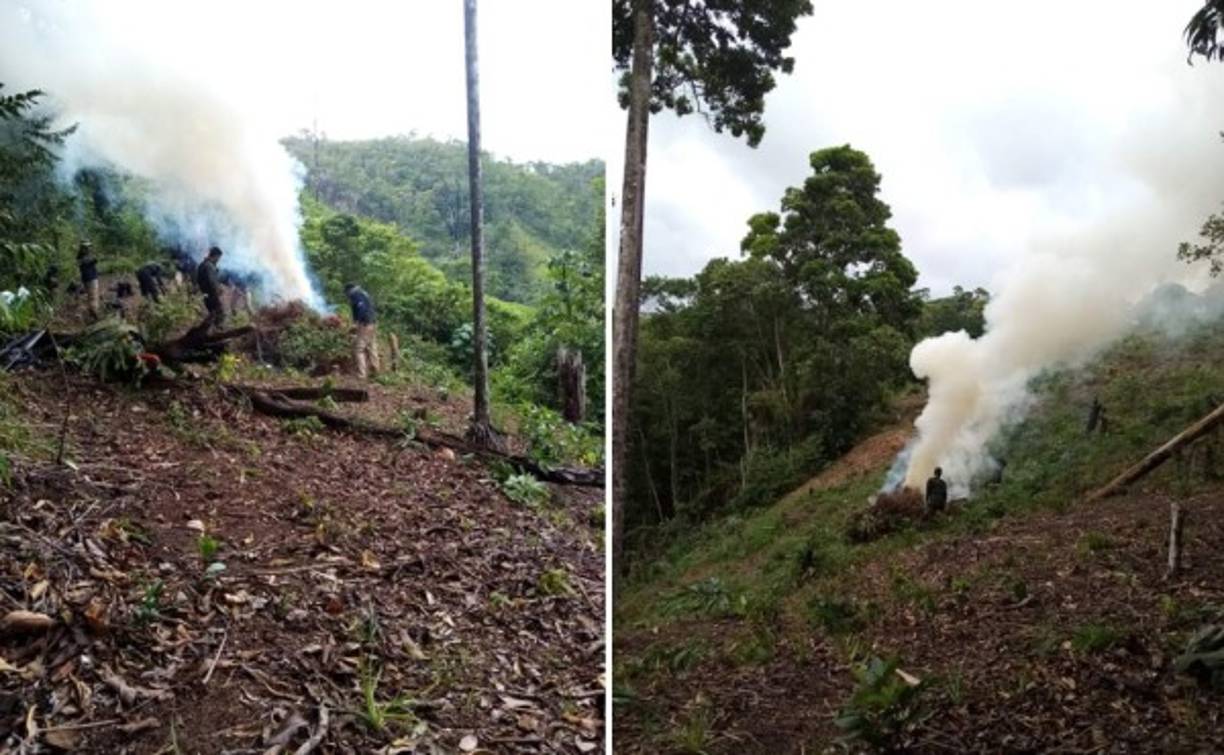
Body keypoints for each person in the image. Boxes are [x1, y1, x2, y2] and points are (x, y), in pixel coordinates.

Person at [345, 283, 380, 379]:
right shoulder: (364, 293)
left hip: (365, 324)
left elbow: (361, 309)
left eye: (347, 293)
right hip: (373, 323)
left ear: (349, 290)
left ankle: (361, 375)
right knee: (372, 346)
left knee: (358, 349)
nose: (347, 296)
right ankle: (375, 372)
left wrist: (356, 323)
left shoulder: (356, 295)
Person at [196, 246, 225, 331]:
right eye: (219, 257)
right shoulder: (209, 266)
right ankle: (218, 333)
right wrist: (218, 290)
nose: (219, 260)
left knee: (213, 313)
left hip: (205, 294)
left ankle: (209, 332)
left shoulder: (202, 265)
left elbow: (199, 280)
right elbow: (212, 282)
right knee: (219, 313)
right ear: (215, 256)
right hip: (211, 294)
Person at [77, 242, 99, 319]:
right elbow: (95, 259)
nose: (89, 249)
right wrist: (92, 253)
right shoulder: (85, 258)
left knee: (90, 296)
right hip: (91, 278)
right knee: (93, 296)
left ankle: (92, 312)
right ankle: (94, 312)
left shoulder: (80, 257)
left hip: (86, 278)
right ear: (83, 249)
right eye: (87, 248)